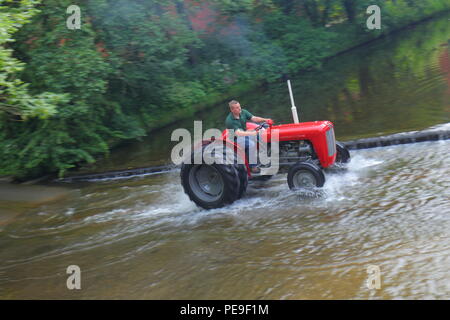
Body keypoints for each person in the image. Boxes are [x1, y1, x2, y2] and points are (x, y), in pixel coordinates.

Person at [225, 100, 272, 173]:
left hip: (243, 135)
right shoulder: (229, 120)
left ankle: (264, 156)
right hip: (235, 140)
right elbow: (239, 133)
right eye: (237, 107)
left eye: (239, 106)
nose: (239, 108)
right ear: (232, 109)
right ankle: (253, 166)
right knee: (251, 144)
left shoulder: (243, 112)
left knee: (260, 136)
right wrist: (252, 133)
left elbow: (254, 118)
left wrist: (266, 120)